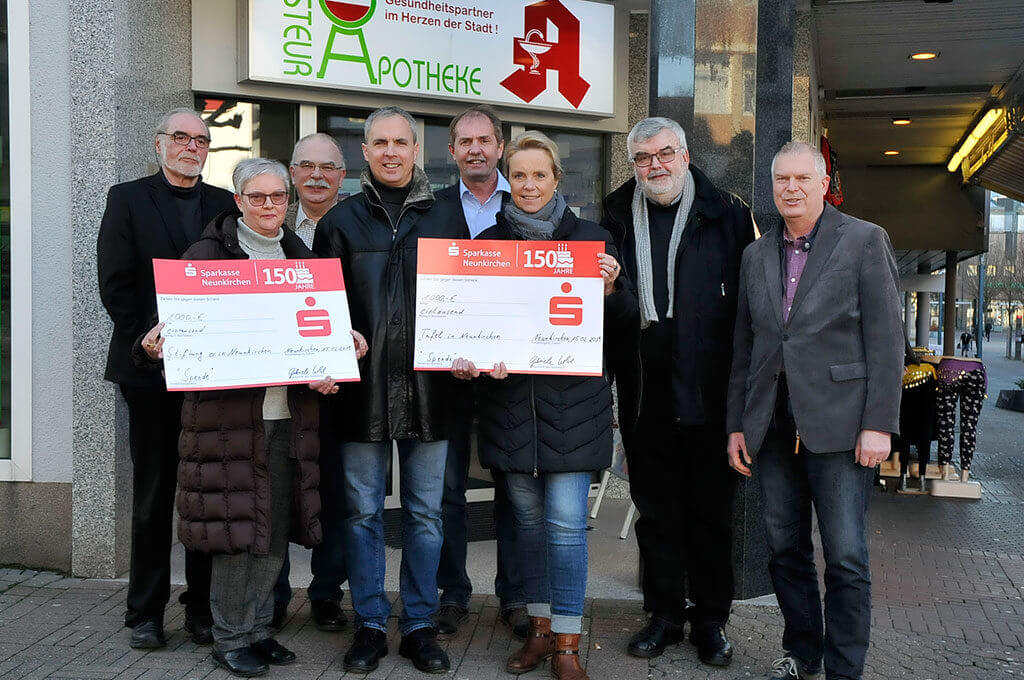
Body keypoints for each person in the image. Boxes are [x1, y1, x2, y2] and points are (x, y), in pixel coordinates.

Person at [136, 158, 367, 677]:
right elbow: (168, 328)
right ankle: (230, 636)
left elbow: (322, 322)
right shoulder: (207, 254)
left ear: (288, 201)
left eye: (278, 197)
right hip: (228, 423)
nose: (269, 206)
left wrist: (343, 345)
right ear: (238, 201)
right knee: (238, 536)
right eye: (257, 197)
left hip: (289, 417)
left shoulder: (301, 253)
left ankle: (260, 629)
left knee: (273, 532)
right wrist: (154, 343)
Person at [452, 130, 637, 680]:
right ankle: (538, 630)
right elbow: (469, 323)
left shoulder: (591, 240)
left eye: (540, 175)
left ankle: (568, 644)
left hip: (573, 413)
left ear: (558, 180)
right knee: (528, 530)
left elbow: (626, 328)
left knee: (564, 526)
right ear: (510, 180)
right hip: (511, 410)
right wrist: (470, 356)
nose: (529, 185)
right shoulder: (487, 243)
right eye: (521, 175)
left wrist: (612, 292)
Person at [726, 141, 903, 680]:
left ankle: (845, 669)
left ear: (823, 182)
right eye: (782, 180)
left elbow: (886, 339)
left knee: (846, 558)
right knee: (785, 550)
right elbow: (745, 349)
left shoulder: (864, 241)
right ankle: (803, 654)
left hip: (842, 427)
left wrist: (879, 424)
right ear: (772, 187)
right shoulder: (756, 254)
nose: (792, 188)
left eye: (803, 178)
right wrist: (737, 424)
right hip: (772, 428)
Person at [313, 106, 467, 674]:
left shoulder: (448, 217)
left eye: (401, 142)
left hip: (432, 391)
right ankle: (371, 623)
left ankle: (421, 624)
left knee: (427, 514)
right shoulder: (341, 221)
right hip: (362, 392)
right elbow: (322, 308)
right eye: (379, 142)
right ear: (365, 151)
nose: (391, 151)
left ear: (417, 149)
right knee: (362, 515)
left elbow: (472, 300)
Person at [601, 117, 756, 665]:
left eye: (664, 153)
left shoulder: (728, 213)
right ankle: (664, 614)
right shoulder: (614, 213)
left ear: (685, 155)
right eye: (643, 158)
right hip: (645, 395)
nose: (655, 166)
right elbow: (610, 313)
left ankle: (711, 621)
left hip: (711, 396)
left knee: (712, 516)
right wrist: (613, 290)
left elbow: (747, 308)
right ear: (633, 165)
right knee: (658, 513)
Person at [97, 107, 235, 649]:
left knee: (205, 493)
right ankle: (145, 612)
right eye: (181, 137)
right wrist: (144, 340)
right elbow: (116, 281)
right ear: (159, 144)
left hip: (212, 373)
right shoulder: (126, 198)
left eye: (200, 139)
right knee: (155, 494)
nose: (191, 146)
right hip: (150, 371)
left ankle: (200, 608)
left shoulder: (225, 204)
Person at [432, 105, 528, 639]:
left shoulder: (525, 208)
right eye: (464, 141)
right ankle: (453, 595)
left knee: (512, 490)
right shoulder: (431, 209)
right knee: (446, 492)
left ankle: (513, 597)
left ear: (500, 146)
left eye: (484, 140)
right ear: (452, 152)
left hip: (509, 377)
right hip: (446, 376)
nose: (475, 149)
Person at [271, 132, 350, 632]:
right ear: (292, 173)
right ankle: (273, 595)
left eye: (328, 167)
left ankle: (326, 593)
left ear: (343, 176)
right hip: (280, 386)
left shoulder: (356, 223)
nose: (316, 176)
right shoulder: (271, 228)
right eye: (305, 166)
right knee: (276, 493)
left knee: (336, 495)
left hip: (339, 387)